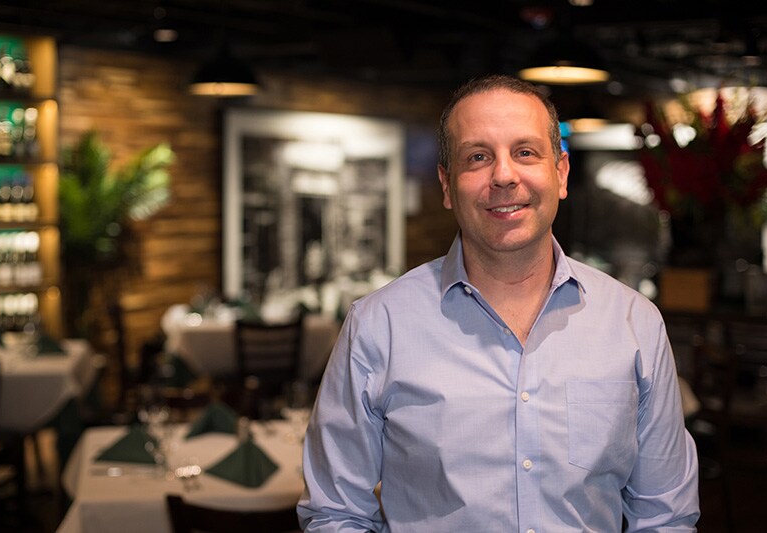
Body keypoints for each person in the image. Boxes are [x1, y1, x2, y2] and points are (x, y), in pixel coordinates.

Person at [297, 74, 699, 532]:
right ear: (447, 185)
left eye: (525, 152)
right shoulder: (378, 326)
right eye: (478, 157)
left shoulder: (634, 324)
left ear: (561, 173)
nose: (504, 176)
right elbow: (336, 513)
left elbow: (665, 517)